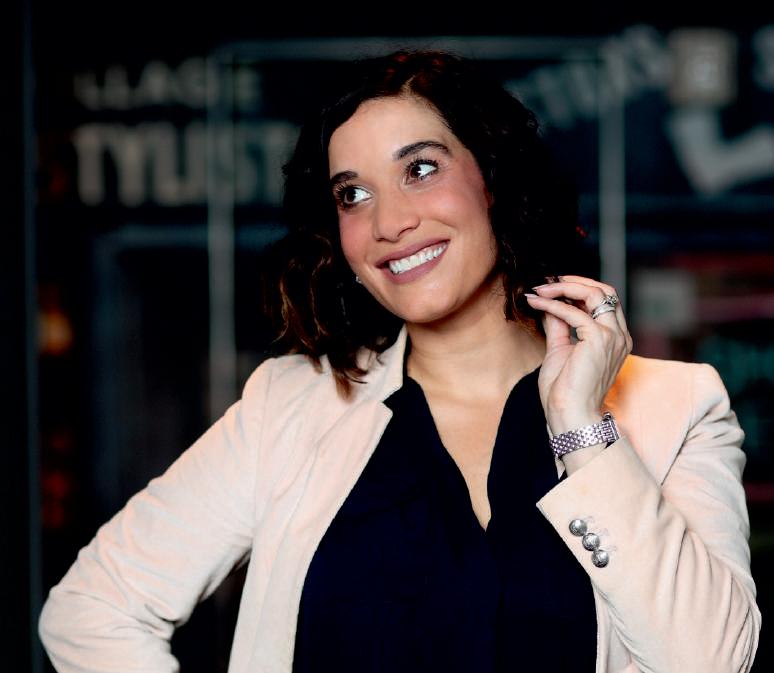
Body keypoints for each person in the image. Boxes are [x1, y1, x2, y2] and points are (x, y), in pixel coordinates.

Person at [39, 49, 760, 673]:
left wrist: (581, 430)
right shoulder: (290, 406)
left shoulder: (677, 406)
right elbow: (92, 608)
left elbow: (714, 659)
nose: (389, 222)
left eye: (420, 169)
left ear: (493, 181)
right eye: (353, 194)